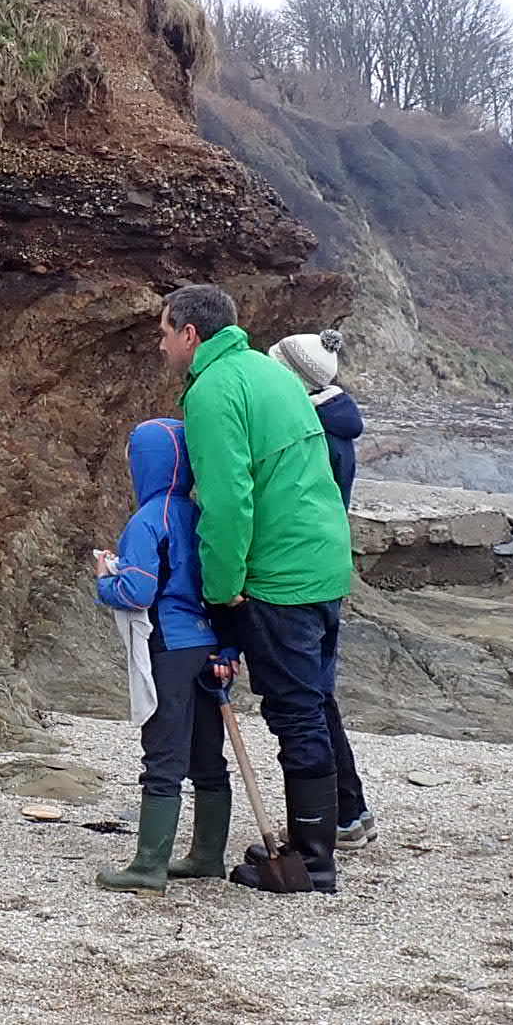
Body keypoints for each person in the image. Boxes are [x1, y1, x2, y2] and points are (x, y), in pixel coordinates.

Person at [161, 285, 356, 895]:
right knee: (311, 701)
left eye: (164, 330)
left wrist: (221, 588)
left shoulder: (215, 391)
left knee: (295, 712)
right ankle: (316, 837)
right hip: (323, 561)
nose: (160, 342)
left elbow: (226, 499)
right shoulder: (269, 375)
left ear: (191, 334)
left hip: (280, 576)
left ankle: (314, 859)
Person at [88, 416, 241, 890]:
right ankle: (206, 856)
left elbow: (138, 591)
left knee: (163, 756)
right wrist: (228, 645)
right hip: (208, 645)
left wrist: (103, 579)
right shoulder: (200, 514)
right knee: (207, 757)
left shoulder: (148, 519)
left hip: (169, 645)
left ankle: (148, 866)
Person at [270, 329, 375, 851]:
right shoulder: (338, 426)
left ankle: (336, 816)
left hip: (301, 577)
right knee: (318, 694)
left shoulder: (313, 434)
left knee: (307, 700)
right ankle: (348, 810)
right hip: (326, 574)